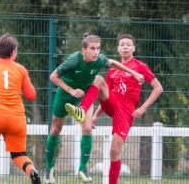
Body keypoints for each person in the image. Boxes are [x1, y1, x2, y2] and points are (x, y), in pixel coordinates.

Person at [44, 34, 144, 184]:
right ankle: (49, 169)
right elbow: (53, 76)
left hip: (84, 96)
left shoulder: (99, 60)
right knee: (55, 129)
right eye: (92, 48)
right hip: (65, 94)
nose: (96, 52)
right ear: (84, 50)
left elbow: (113, 62)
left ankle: (82, 168)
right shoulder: (74, 60)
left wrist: (133, 73)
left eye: (98, 48)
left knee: (87, 129)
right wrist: (70, 90)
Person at [66, 34, 163, 184]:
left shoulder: (140, 67)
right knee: (98, 79)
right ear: (118, 49)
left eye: (128, 44)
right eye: (122, 44)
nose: (125, 46)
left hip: (126, 110)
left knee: (114, 151)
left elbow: (158, 88)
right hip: (112, 103)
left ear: (134, 48)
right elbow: (105, 94)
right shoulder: (112, 71)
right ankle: (82, 109)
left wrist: (143, 108)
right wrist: (94, 117)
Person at [0, 33, 41, 184]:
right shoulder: (21, 69)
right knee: (18, 155)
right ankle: (31, 170)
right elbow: (31, 95)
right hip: (17, 118)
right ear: (13, 52)